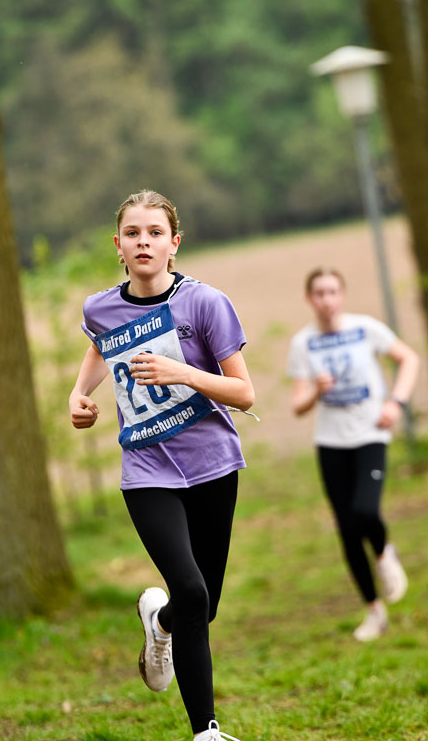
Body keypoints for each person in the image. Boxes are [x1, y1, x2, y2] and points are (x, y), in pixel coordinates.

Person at [69, 190, 256, 740]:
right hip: (148, 470)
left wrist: (185, 374)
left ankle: (161, 622)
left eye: (154, 233)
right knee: (193, 591)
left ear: (174, 243)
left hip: (213, 466)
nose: (143, 242)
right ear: (119, 246)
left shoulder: (205, 304)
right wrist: (78, 395)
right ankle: (208, 731)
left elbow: (244, 392)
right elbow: (100, 346)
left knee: (202, 605)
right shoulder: (99, 307)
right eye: (133, 233)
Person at [288, 267, 419, 642]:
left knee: (365, 511)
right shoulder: (303, 343)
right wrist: (316, 390)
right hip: (330, 444)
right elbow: (298, 405)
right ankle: (374, 611)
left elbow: (408, 360)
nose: (326, 300)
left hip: (370, 435)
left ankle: (383, 552)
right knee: (346, 528)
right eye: (319, 293)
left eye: (332, 292)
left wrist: (396, 402)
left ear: (342, 295)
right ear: (309, 299)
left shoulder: (366, 329)